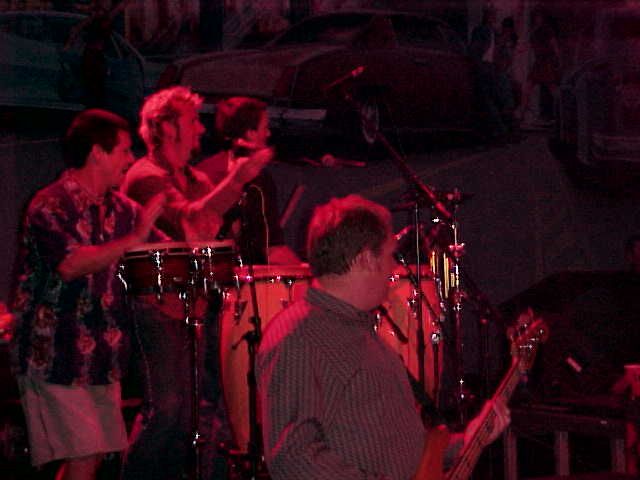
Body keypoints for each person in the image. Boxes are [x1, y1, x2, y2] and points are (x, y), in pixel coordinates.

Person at [256, 194, 509, 479]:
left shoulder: (360, 330)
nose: (393, 268)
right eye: (390, 256)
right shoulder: (299, 336)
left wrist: (462, 445)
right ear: (366, 258)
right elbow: (293, 458)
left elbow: (401, 449)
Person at [120, 86, 271, 480]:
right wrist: (236, 179)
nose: (200, 130)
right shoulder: (144, 177)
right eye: (191, 121)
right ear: (167, 127)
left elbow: (205, 225)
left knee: (194, 412)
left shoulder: (195, 177)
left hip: (192, 306)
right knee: (167, 409)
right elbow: (188, 220)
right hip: (156, 307)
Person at [9, 109, 164, 480]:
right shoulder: (50, 204)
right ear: (98, 152)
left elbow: (163, 248)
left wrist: (201, 220)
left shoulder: (121, 209)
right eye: (124, 150)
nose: (130, 159)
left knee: (91, 458)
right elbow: (71, 264)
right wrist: (135, 238)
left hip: (102, 357)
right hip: (56, 354)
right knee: (83, 454)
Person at [196, 96, 299, 265]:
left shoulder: (202, 171)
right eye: (265, 128)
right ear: (250, 133)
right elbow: (271, 249)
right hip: (240, 272)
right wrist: (307, 273)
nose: (268, 133)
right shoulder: (259, 182)